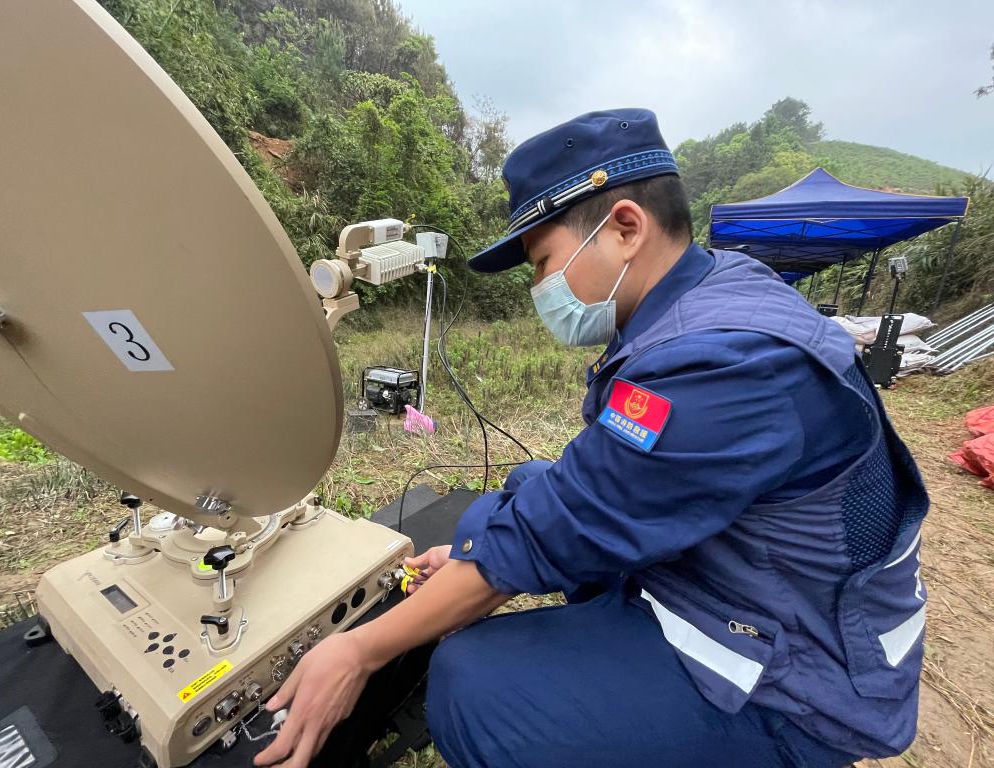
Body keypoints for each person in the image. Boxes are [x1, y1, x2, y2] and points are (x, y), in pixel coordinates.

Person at [254, 108, 929, 768]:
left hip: (794, 683)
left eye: (544, 262)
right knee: (526, 485)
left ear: (625, 227)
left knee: (474, 681)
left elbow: (556, 530)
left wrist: (358, 650)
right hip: (745, 581)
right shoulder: (712, 290)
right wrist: (474, 547)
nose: (542, 290)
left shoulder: (722, 363)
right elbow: (581, 492)